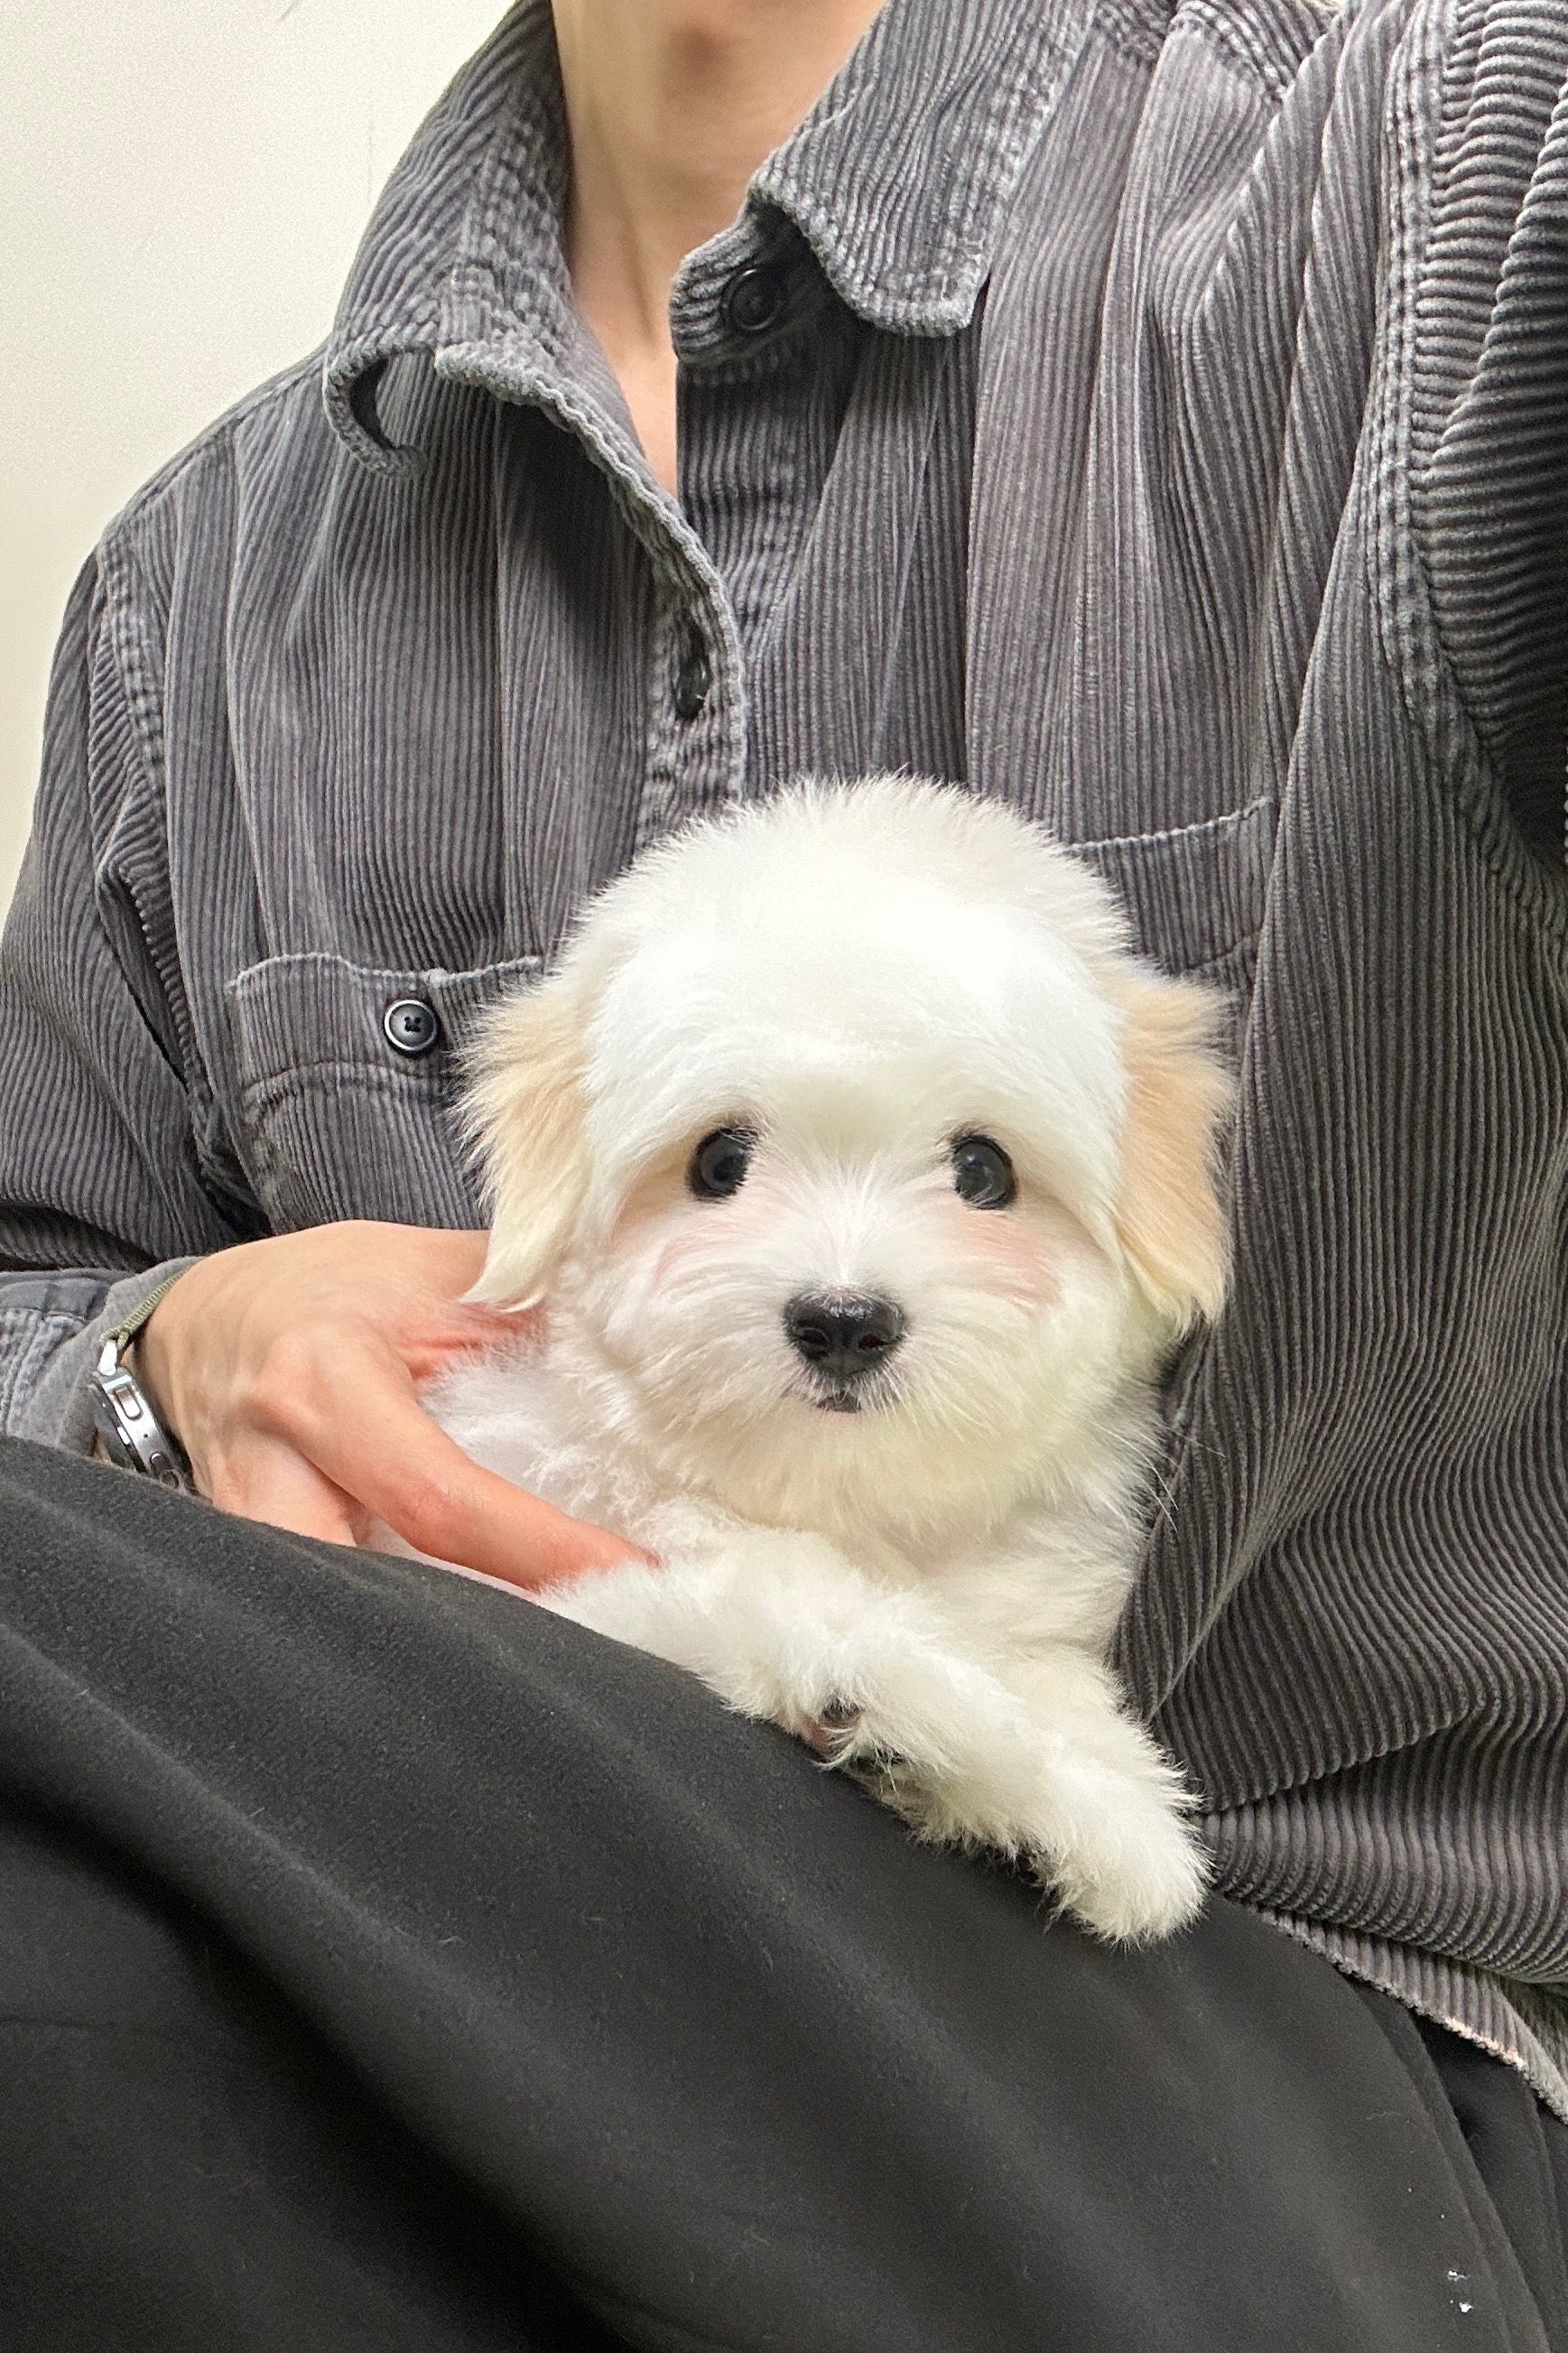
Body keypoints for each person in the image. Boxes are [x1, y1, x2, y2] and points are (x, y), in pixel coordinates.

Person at [1, 0, 1565, 2342]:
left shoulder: (1443, 185)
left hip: (1245, 2037)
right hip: (417, 1966)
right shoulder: (195, 606)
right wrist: (154, 1358)